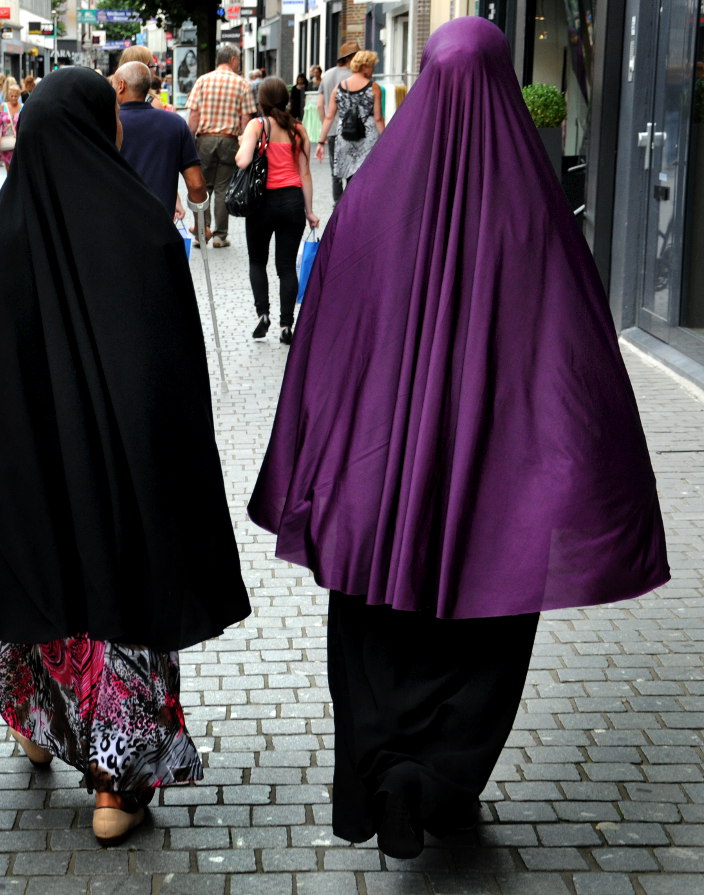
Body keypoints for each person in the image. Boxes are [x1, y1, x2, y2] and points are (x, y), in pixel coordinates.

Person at [248, 16, 670, 861]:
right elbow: (576, 350)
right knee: (485, 629)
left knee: (375, 626)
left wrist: (328, 450)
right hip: (495, 486)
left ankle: (385, 771)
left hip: (381, 480)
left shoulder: (371, 203)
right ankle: (436, 779)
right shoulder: (538, 209)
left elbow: (329, 337)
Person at [0, 67, 250, 848]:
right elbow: (170, 369)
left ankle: (36, 724)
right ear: (103, 126)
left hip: (28, 466)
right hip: (119, 468)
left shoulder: (9, 225)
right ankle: (114, 785)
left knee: (37, 588)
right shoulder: (138, 224)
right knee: (118, 601)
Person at [235, 77, 320, 345]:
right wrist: (309, 211)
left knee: (257, 261)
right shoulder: (299, 130)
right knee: (286, 267)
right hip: (292, 203)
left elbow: (242, 161)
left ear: (261, 101)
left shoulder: (257, 126)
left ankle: (263, 314)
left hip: (261, 204)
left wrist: (243, 142)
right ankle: (286, 325)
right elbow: (305, 174)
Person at [113, 61, 205, 219]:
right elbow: (196, 184)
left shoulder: (104, 123)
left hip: (117, 223)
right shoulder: (175, 124)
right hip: (160, 223)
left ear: (121, 86)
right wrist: (200, 226)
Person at [186, 44, 256, 249]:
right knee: (223, 188)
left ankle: (202, 232)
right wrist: (243, 140)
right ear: (233, 60)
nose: (239, 63)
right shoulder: (241, 84)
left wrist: (190, 139)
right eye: (239, 60)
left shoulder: (202, 81)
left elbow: (194, 114)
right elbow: (246, 117)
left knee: (203, 186)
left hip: (205, 140)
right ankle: (219, 236)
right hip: (228, 140)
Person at [317, 50, 384, 193]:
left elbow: (329, 117)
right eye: (372, 66)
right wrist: (385, 140)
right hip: (367, 137)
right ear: (365, 66)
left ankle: (348, 203)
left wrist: (321, 142)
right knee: (366, 177)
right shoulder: (374, 88)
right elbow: (378, 118)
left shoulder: (339, 87)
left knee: (349, 176)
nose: (373, 70)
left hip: (345, 136)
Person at [316, 41, 360, 201]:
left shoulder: (327, 75)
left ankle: (338, 205)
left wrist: (326, 128)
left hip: (333, 131)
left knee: (336, 172)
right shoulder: (355, 76)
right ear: (352, 57)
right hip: (352, 131)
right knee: (352, 170)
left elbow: (319, 105)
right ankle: (350, 204)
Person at [0, 83, 22, 173]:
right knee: (8, 166)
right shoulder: (3, 106)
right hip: (6, 140)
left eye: (15, 96)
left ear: (18, 96)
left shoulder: (22, 107)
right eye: (12, 96)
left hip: (18, 140)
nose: (13, 98)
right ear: (8, 95)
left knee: (18, 165)